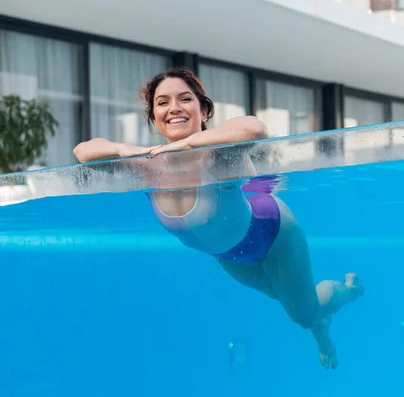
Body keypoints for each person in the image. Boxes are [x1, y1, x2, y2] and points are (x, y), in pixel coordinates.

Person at [72, 67, 364, 369]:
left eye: (185, 99)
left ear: (203, 109)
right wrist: (127, 149)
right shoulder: (145, 168)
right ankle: (320, 322)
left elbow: (254, 129)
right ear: (153, 116)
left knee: (303, 314)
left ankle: (348, 292)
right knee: (288, 299)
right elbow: (83, 151)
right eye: (162, 102)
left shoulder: (217, 156)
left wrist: (186, 144)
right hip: (229, 254)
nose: (174, 108)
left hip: (274, 234)